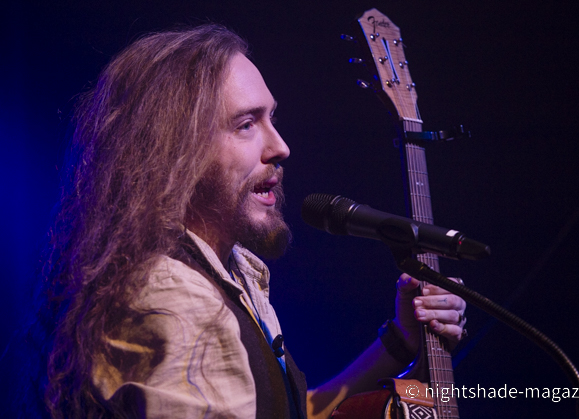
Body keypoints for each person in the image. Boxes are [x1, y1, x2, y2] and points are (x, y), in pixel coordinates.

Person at [35, 24, 467, 418]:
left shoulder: (232, 273)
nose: (280, 147)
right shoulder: (176, 297)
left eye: (270, 118)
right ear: (173, 151)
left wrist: (399, 341)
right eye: (246, 124)